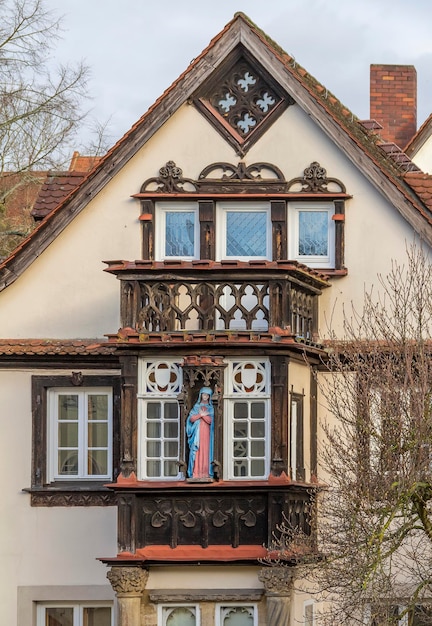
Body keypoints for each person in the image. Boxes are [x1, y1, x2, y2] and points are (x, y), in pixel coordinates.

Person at [186, 387, 214, 479]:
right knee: (197, 451)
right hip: (197, 432)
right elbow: (191, 418)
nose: (205, 396)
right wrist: (201, 415)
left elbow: (211, 421)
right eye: (204, 394)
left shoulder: (211, 408)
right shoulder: (196, 407)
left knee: (206, 452)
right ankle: (196, 472)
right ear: (200, 395)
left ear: (209, 396)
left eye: (207, 395)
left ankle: (205, 473)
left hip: (207, 434)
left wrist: (204, 416)